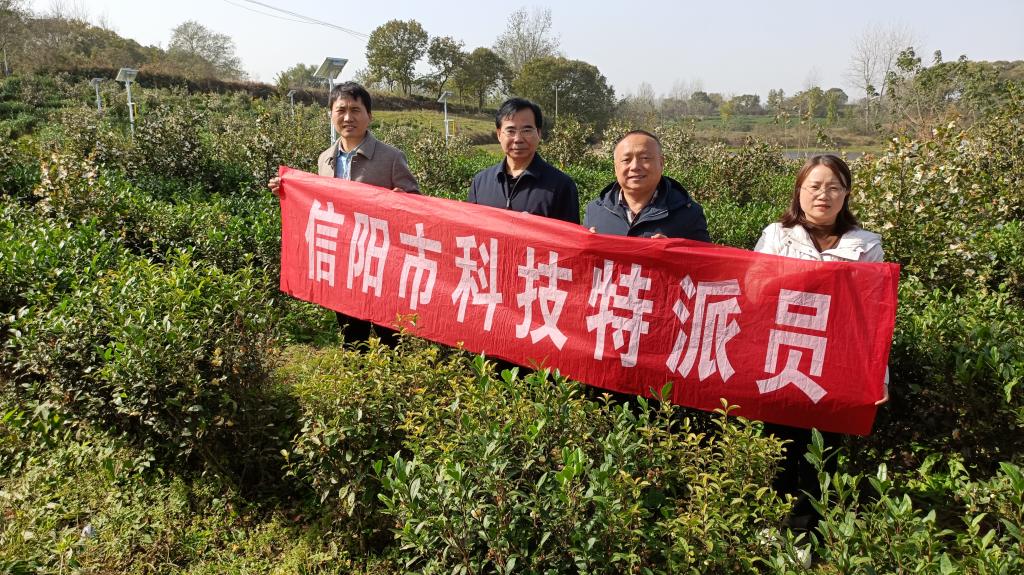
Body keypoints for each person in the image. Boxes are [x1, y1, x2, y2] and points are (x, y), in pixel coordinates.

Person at [753, 154, 885, 531]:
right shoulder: (777, 235)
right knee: (777, 447)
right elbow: (754, 290)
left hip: (834, 365)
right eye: (814, 186)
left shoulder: (865, 245)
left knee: (822, 454)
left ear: (846, 194)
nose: (822, 195)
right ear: (799, 191)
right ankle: (769, 528)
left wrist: (879, 376)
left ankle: (806, 536)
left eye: (833, 187)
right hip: (783, 356)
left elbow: (873, 317)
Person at [269, 81, 419, 347]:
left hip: (381, 265)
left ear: (369, 116)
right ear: (331, 115)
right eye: (341, 110)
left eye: (355, 110)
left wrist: (403, 200)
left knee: (390, 339)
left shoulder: (391, 157)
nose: (348, 117)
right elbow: (317, 202)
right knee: (352, 337)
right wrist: (288, 189)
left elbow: (417, 204)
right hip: (343, 265)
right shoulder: (325, 159)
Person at [584, 130, 710, 242]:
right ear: (616, 167)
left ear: (661, 163)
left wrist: (674, 253)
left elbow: (702, 259)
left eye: (645, 158)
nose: (634, 166)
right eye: (626, 160)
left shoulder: (688, 214)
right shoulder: (595, 211)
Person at [469, 98, 580, 224]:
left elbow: (568, 235)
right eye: (510, 131)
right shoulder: (480, 183)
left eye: (526, 130)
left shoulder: (561, 186)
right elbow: (471, 230)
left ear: (539, 133)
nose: (518, 139)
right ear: (499, 134)